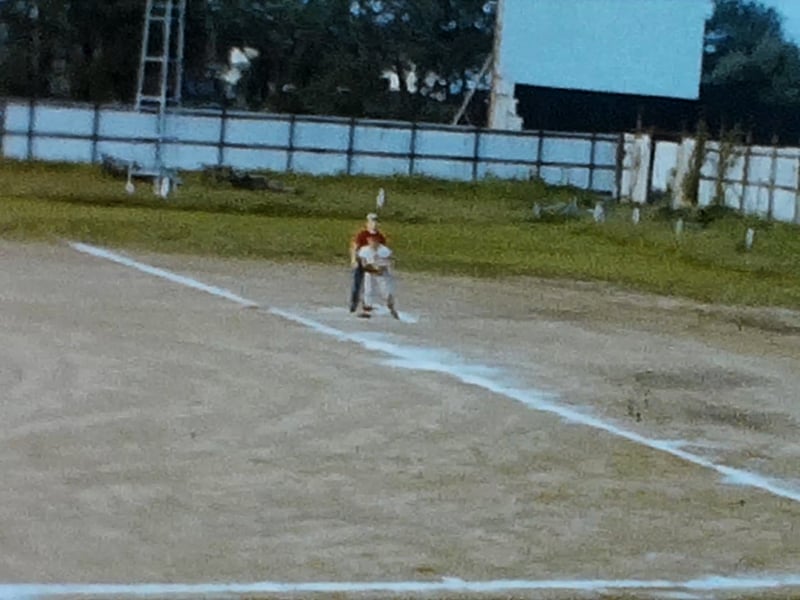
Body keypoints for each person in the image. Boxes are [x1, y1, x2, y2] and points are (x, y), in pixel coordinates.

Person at [349, 213, 386, 312]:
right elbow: (355, 247)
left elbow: (382, 251)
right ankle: (354, 303)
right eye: (371, 221)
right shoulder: (362, 234)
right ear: (367, 223)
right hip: (361, 261)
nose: (374, 224)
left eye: (375, 222)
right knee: (357, 283)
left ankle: (367, 303)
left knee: (370, 284)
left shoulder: (380, 237)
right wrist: (353, 260)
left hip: (372, 263)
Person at [357, 233, 399, 319]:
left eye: (374, 240)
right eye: (370, 240)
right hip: (370, 273)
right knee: (368, 291)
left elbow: (386, 264)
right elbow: (363, 263)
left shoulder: (384, 251)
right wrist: (370, 268)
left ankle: (391, 307)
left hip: (382, 274)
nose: (372, 242)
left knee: (385, 291)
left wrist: (380, 269)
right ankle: (367, 310)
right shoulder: (364, 250)